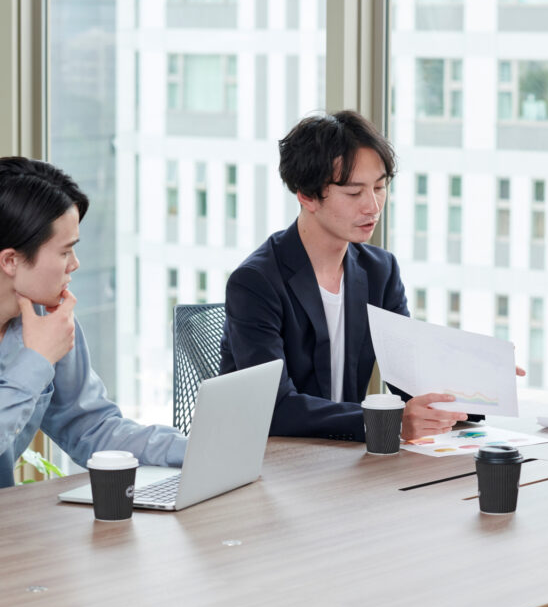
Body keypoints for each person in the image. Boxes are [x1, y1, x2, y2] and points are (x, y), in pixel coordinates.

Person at [221, 111, 483, 442]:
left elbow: (409, 381)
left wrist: (482, 381)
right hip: (271, 459)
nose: (373, 206)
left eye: (380, 187)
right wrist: (389, 421)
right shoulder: (256, 282)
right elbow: (274, 407)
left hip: (344, 459)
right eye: (354, 192)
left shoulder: (380, 271)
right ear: (306, 195)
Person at [0, 157, 185, 488]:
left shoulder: (45, 317)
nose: (75, 264)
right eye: (64, 252)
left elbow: (92, 427)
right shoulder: (44, 340)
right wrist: (36, 362)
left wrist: (193, 450)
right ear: (11, 260)